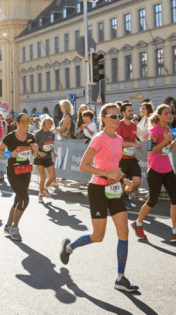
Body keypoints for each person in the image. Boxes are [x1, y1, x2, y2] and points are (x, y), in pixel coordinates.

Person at [59, 103, 139, 293]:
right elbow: (84, 166)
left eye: (118, 116)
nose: (117, 119)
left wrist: (123, 178)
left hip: (114, 190)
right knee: (98, 236)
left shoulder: (118, 139)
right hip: (97, 189)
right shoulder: (98, 138)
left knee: (124, 232)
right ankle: (70, 247)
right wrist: (107, 175)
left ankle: (120, 278)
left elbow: (114, 167)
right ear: (103, 119)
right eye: (113, 117)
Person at [132, 104, 176, 242]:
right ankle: (138, 223)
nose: (169, 116)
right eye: (166, 113)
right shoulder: (154, 131)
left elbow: (166, 150)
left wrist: (174, 143)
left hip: (167, 169)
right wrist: (164, 140)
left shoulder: (168, 129)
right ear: (158, 116)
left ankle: (175, 232)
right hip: (155, 170)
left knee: (175, 199)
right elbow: (151, 151)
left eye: (170, 113)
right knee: (152, 201)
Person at [0, 113, 38, 241]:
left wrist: (35, 150)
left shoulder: (30, 137)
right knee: (25, 199)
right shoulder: (10, 137)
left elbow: (35, 156)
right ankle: (15, 227)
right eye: (23, 124)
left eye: (27, 124)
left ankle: (8, 226)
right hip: (13, 171)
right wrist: (10, 154)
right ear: (17, 124)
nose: (25, 126)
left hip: (25, 171)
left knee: (18, 200)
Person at [116, 103, 143, 208]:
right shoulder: (119, 125)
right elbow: (119, 142)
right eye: (129, 111)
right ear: (123, 113)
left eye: (132, 111)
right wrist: (133, 144)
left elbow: (132, 138)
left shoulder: (134, 126)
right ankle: (118, 207)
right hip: (121, 159)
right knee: (122, 184)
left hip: (132, 159)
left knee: (137, 182)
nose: (132, 113)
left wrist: (136, 144)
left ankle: (125, 196)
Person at [33, 115, 57, 204]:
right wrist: (39, 153)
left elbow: (51, 145)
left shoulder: (52, 134)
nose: (50, 125)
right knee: (43, 177)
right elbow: (33, 146)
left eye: (51, 123)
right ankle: (40, 195)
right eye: (48, 123)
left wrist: (54, 152)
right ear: (44, 124)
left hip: (48, 157)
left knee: (53, 176)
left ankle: (45, 189)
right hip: (39, 157)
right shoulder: (38, 134)